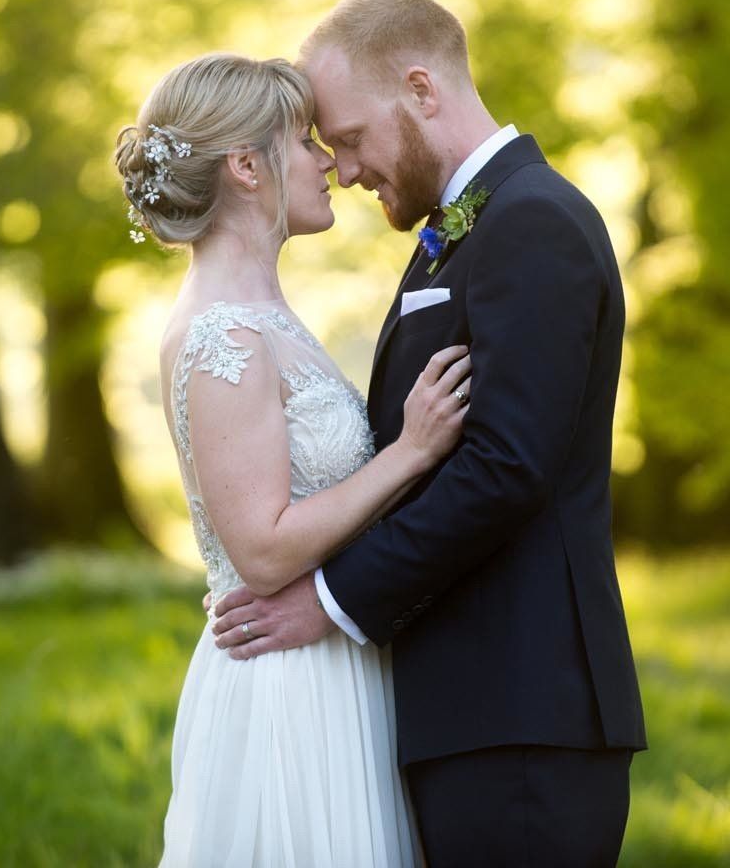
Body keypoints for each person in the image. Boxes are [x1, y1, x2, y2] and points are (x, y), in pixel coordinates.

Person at [206, 0, 648, 866]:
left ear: (420, 88)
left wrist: (328, 603)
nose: (343, 167)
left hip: (522, 713)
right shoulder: (470, 224)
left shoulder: (531, 222)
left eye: (352, 137)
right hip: (472, 710)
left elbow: (504, 467)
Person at [115, 52, 474, 867]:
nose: (327, 163)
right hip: (287, 686)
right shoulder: (221, 336)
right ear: (246, 167)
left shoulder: (260, 313)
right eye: (302, 142)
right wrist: (410, 453)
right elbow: (263, 547)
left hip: (332, 662)